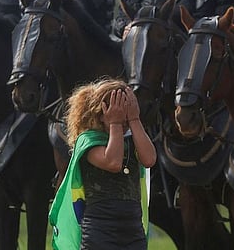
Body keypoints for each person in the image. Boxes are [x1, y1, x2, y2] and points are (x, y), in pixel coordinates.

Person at [49, 78, 156, 250]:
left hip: (133, 227)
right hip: (101, 229)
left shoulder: (131, 137)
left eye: (125, 116)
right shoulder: (87, 140)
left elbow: (149, 159)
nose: (124, 122)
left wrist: (135, 120)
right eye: (118, 114)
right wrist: (114, 123)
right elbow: (113, 162)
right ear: (100, 114)